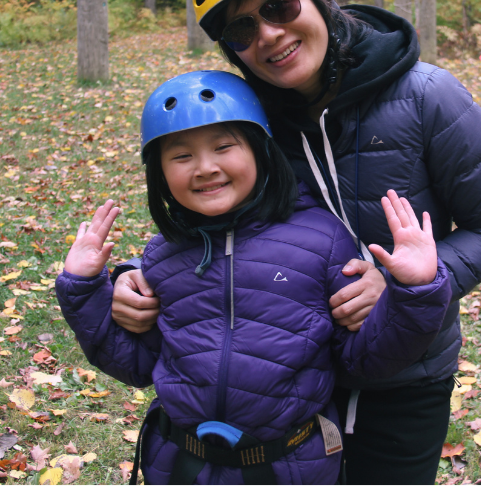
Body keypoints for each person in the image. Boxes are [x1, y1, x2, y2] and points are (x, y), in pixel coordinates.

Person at [107, 0, 481, 484]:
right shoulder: (249, 123)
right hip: (288, 380)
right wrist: (137, 277)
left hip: (406, 372)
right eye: (241, 28)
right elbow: (215, 222)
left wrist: (401, 284)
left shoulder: (428, 97)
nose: (270, 35)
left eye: (280, 5)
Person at [56, 72, 453, 484]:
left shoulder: (321, 240)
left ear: (261, 150)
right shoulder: (163, 254)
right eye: (181, 156)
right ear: (159, 172)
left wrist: (415, 292)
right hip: (181, 464)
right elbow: (137, 364)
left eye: (224, 146)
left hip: (291, 466)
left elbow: (366, 358)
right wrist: (84, 290)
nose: (205, 167)